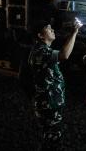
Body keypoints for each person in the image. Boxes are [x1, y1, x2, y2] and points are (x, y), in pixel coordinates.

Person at [28, 18, 81, 150]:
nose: (52, 30)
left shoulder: (42, 50)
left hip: (49, 102)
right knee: (52, 139)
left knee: (50, 136)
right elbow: (64, 55)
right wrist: (74, 33)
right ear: (40, 35)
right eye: (48, 28)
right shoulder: (40, 51)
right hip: (48, 104)